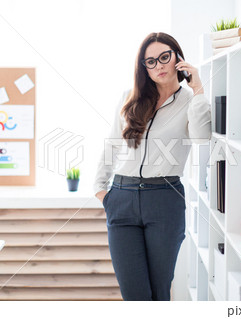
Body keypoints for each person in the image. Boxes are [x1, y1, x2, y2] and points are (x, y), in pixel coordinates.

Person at [93, 32, 211, 301]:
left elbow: (202, 137)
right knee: (134, 294)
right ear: (143, 67)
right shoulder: (129, 97)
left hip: (164, 200)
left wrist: (198, 88)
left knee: (159, 292)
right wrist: (102, 192)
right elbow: (112, 144)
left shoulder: (191, 101)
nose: (158, 65)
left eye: (164, 57)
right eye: (150, 61)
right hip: (121, 199)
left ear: (178, 59)